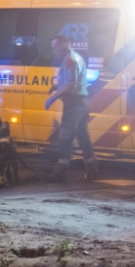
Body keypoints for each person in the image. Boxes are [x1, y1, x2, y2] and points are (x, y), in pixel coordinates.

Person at [45, 34, 97, 182]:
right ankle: (92, 170)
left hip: (73, 104)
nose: (54, 51)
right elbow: (72, 81)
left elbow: (70, 85)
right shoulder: (76, 57)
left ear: (63, 45)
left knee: (65, 137)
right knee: (82, 136)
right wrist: (56, 86)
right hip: (82, 102)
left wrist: (52, 98)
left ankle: (60, 173)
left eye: (55, 48)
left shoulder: (69, 60)